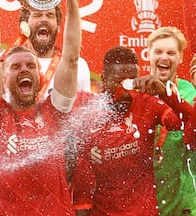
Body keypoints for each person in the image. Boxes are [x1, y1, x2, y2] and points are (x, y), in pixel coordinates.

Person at [0, 0, 81, 215]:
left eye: (30, 66)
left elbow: (72, 57)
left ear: (40, 76)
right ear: (4, 78)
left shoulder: (55, 112)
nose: (24, 69)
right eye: (15, 66)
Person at [72, 46, 191, 215]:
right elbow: (77, 177)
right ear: (104, 80)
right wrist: (85, 153)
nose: (127, 91)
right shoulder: (87, 112)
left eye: (132, 81)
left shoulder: (147, 103)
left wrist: (165, 94)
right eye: (120, 81)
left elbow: (188, 124)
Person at [139, 26, 196, 216]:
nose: (164, 57)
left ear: (180, 58)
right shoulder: (136, 94)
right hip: (144, 202)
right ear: (148, 54)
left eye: (171, 52)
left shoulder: (190, 93)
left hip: (182, 203)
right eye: (158, 51)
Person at [19, 0, 91, 94]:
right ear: (24, 24)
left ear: (58, 26)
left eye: (50, 15)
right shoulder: (7, 63)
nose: (44, 20)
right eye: (37, 15)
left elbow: (84, 107)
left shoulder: (79, 66)